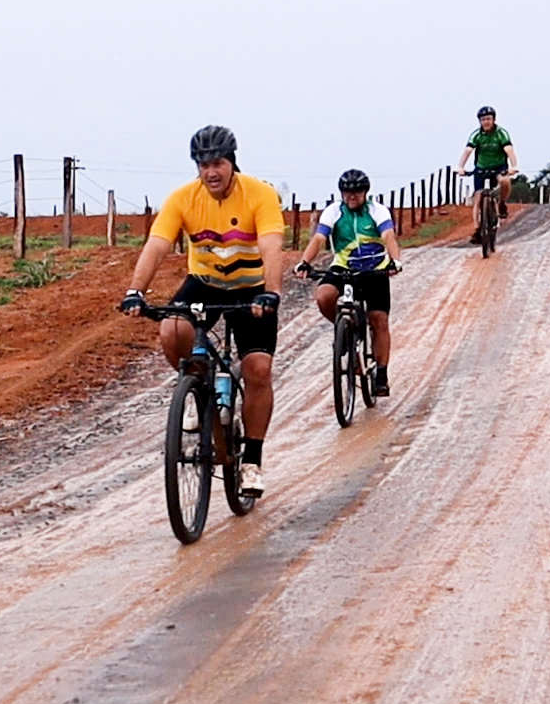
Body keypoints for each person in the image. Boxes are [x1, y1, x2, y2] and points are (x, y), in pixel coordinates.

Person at [119, 125, 286, 496]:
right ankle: (199, 391)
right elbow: (158, 244)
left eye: (218, 163)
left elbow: (272, 245)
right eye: (203, 164)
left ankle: (253, 462)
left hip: (251, 286)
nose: (211, 171)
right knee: (173, 331)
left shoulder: (259, 194)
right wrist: (136, 291)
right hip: (206, 283)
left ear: (232, 162)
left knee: (258, 370)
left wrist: (271, 293)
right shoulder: (183, 198)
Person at [293, 170, 403, 395]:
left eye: (357, 191)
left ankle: (381, 374)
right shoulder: (333, 211)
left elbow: (388, 236)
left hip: (375, 270)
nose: (352, 196)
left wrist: (395, 260)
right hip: (343, 268)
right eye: (347, 192)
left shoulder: (377, 210)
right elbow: (319, 238)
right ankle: (346, 330)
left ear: (365, 192)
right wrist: (304, 262)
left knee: (378, 320)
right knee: (323, 296)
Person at [455, 105, 518, 233]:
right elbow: (468, 150)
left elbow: (509, 150)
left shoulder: (501, 133)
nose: (486, 122)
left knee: (505, 182)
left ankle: (501, 203)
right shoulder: (476, 135)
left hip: (499, 166)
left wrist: (514, 166)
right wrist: (460, 167)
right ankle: (477, 229)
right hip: (481, 168)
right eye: (483, 119)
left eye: (488, 119)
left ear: (494, 120)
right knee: (478, 198)